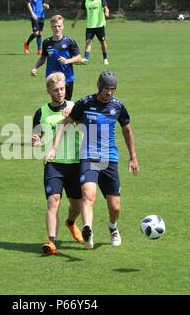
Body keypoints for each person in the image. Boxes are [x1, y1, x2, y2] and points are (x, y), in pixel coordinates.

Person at [45, 71, 139, 249]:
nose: (109, 93)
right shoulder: (85, 103)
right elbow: (66, 122)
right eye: (106, 89)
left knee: (115, 206)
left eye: (112, 89)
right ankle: (88, 229)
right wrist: (54, 149)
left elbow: (127, 130)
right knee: (88, 195)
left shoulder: (118, 106)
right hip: (88, 156)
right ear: (99, 86)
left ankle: (113, 227)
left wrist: (133, 157)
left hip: (110, 158)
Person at [32, 72, 84, 255]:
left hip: (75, 162)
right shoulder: (41, 112)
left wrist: (74, 117)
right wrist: (37, 140)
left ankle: (70, 222)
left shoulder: (74, 107)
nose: (60, 92)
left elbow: (85, 125)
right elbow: (37, 135)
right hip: (53, 163)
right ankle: (51, 242)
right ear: (49, 91)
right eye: (56, 90)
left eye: (62, 89)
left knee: (77, 205)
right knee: (53, 201)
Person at [31, 15, 82, 101]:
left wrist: (67, 61)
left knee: (65, 105)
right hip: (52, 79)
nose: (57, 28)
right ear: (51, 27)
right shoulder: (47, 42)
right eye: (55, 26)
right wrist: (35, 67)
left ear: (63, 27)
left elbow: (79, 58)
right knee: (55, 103)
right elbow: (43, 58)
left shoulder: (69, 41)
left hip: (67, 79)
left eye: (59, 26)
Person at [71, 0, 110, 65]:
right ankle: (86, 58)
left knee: (102, 42)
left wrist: (107, 13)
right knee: (88, 41)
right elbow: (81, 10)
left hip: (99, 25)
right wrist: (75, 21)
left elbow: (106, 8)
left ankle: (105, 58)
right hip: (90, 26)